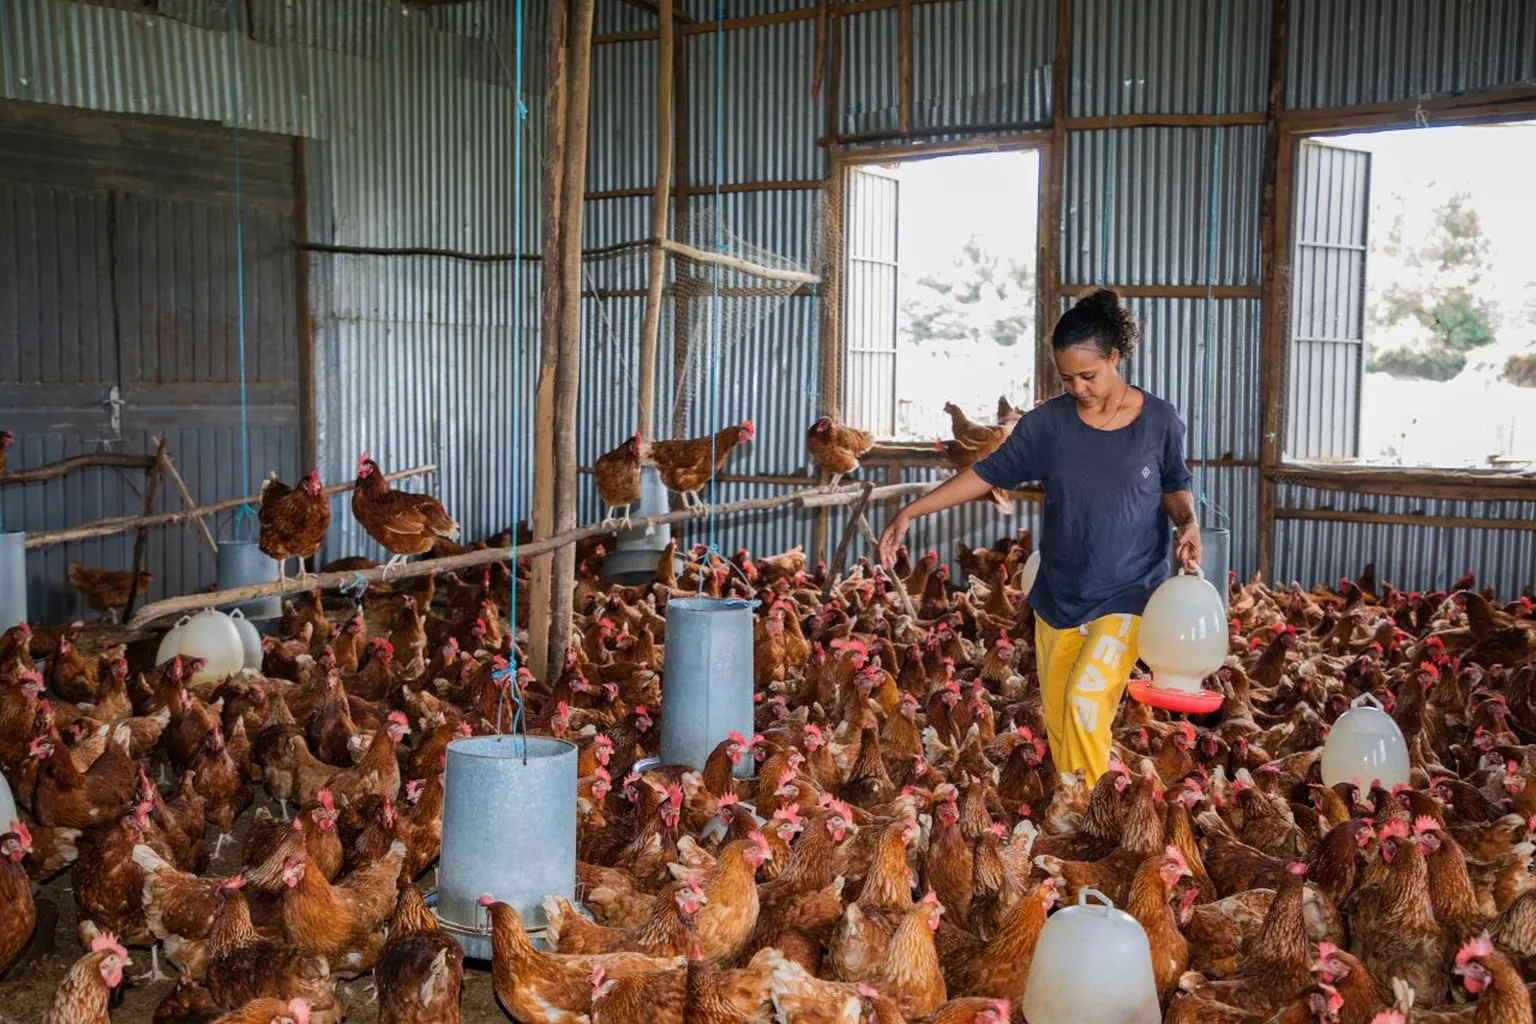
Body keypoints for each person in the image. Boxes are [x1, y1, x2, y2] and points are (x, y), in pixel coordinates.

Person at [878, 290, 1201, 784]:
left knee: (1085, 702)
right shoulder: (1048, 424)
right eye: (1067, 378)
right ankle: (1073, 808)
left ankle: (1100, 811)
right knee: (1060, 720)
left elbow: (1175, 486)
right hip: (1059, 595)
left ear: (1116, 357)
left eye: (1088, 376)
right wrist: (912, 510)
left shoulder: (1159, 421)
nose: (1078, 388)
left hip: (1131, 592)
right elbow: (986, 472)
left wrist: (1187, 523)